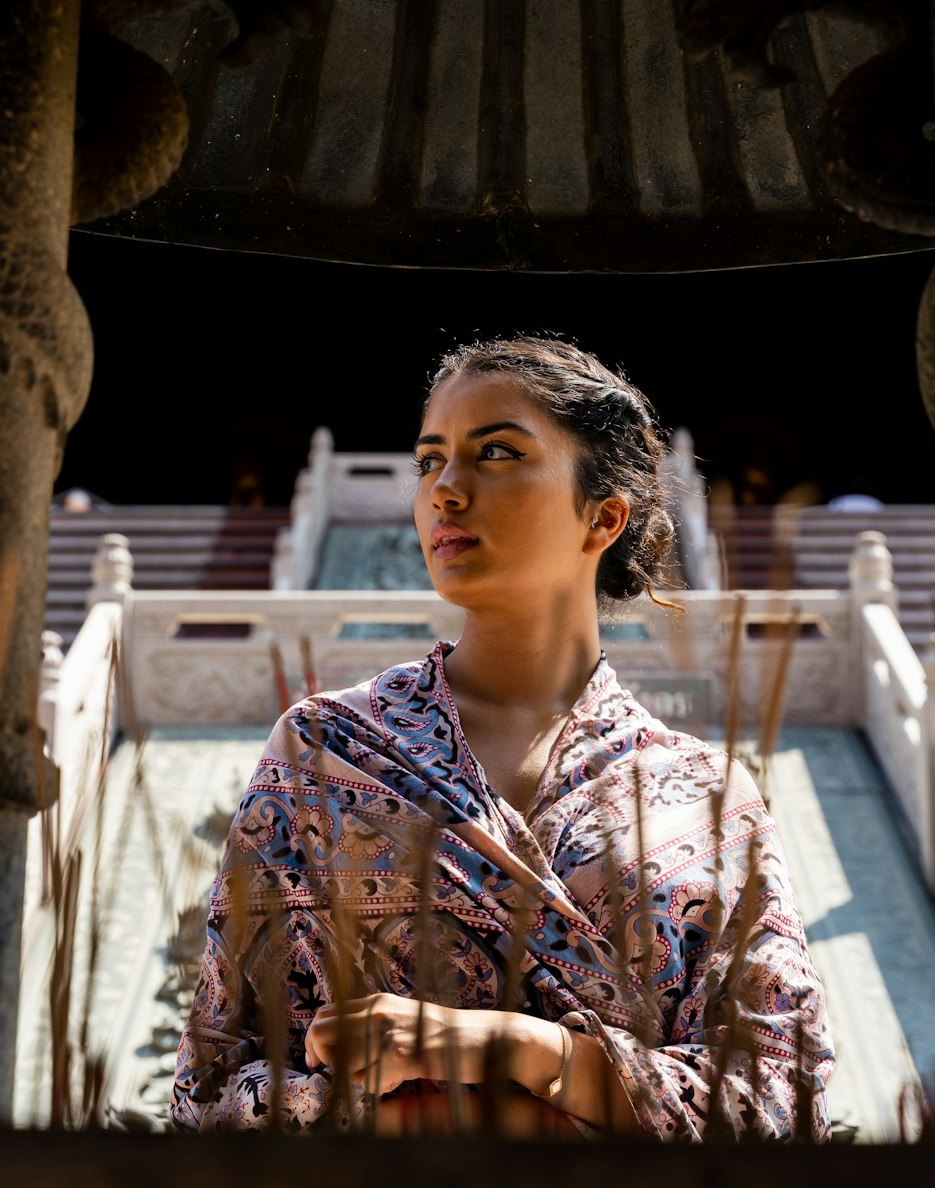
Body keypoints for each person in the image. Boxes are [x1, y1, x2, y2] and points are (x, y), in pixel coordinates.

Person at [171, 336, 834, 1139]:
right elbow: (206, 1089)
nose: (445, 491)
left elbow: (780, 1099)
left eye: (496, 453)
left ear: (603, 515)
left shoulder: (706, 795)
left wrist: (523, 1050)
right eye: (429, 461)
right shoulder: (323, 750)